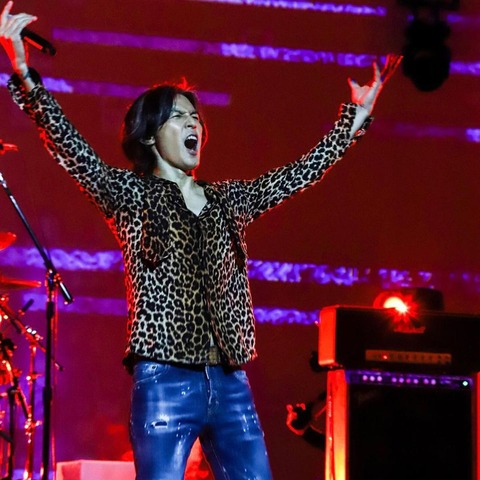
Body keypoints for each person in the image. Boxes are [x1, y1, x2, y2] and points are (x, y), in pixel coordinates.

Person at [0, 2, 402, 478]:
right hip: (165, 378)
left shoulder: (228, 200)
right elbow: (72, 149)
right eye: (179, 117)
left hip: (230, 380)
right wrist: (24, 74)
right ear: (149, 135)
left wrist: (353, 120)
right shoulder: (131, 195)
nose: (194, 123)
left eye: (196, 117)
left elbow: (297, 174)